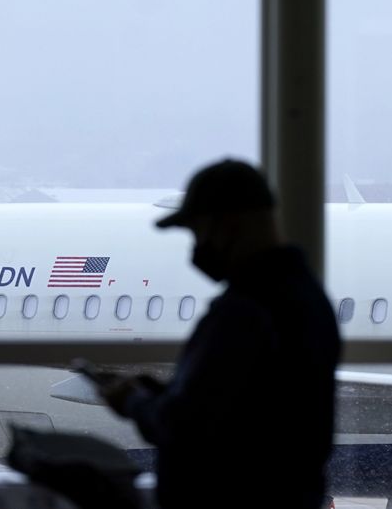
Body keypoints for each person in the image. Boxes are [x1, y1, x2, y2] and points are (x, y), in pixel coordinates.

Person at [94, 159, 340, 509]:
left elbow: (187, 427)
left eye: (198, 231)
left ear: (229, 225)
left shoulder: (247, 309)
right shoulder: (307, 297)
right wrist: (170, 394)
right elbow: (244, 409)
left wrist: (133, 402)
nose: (197, 247)